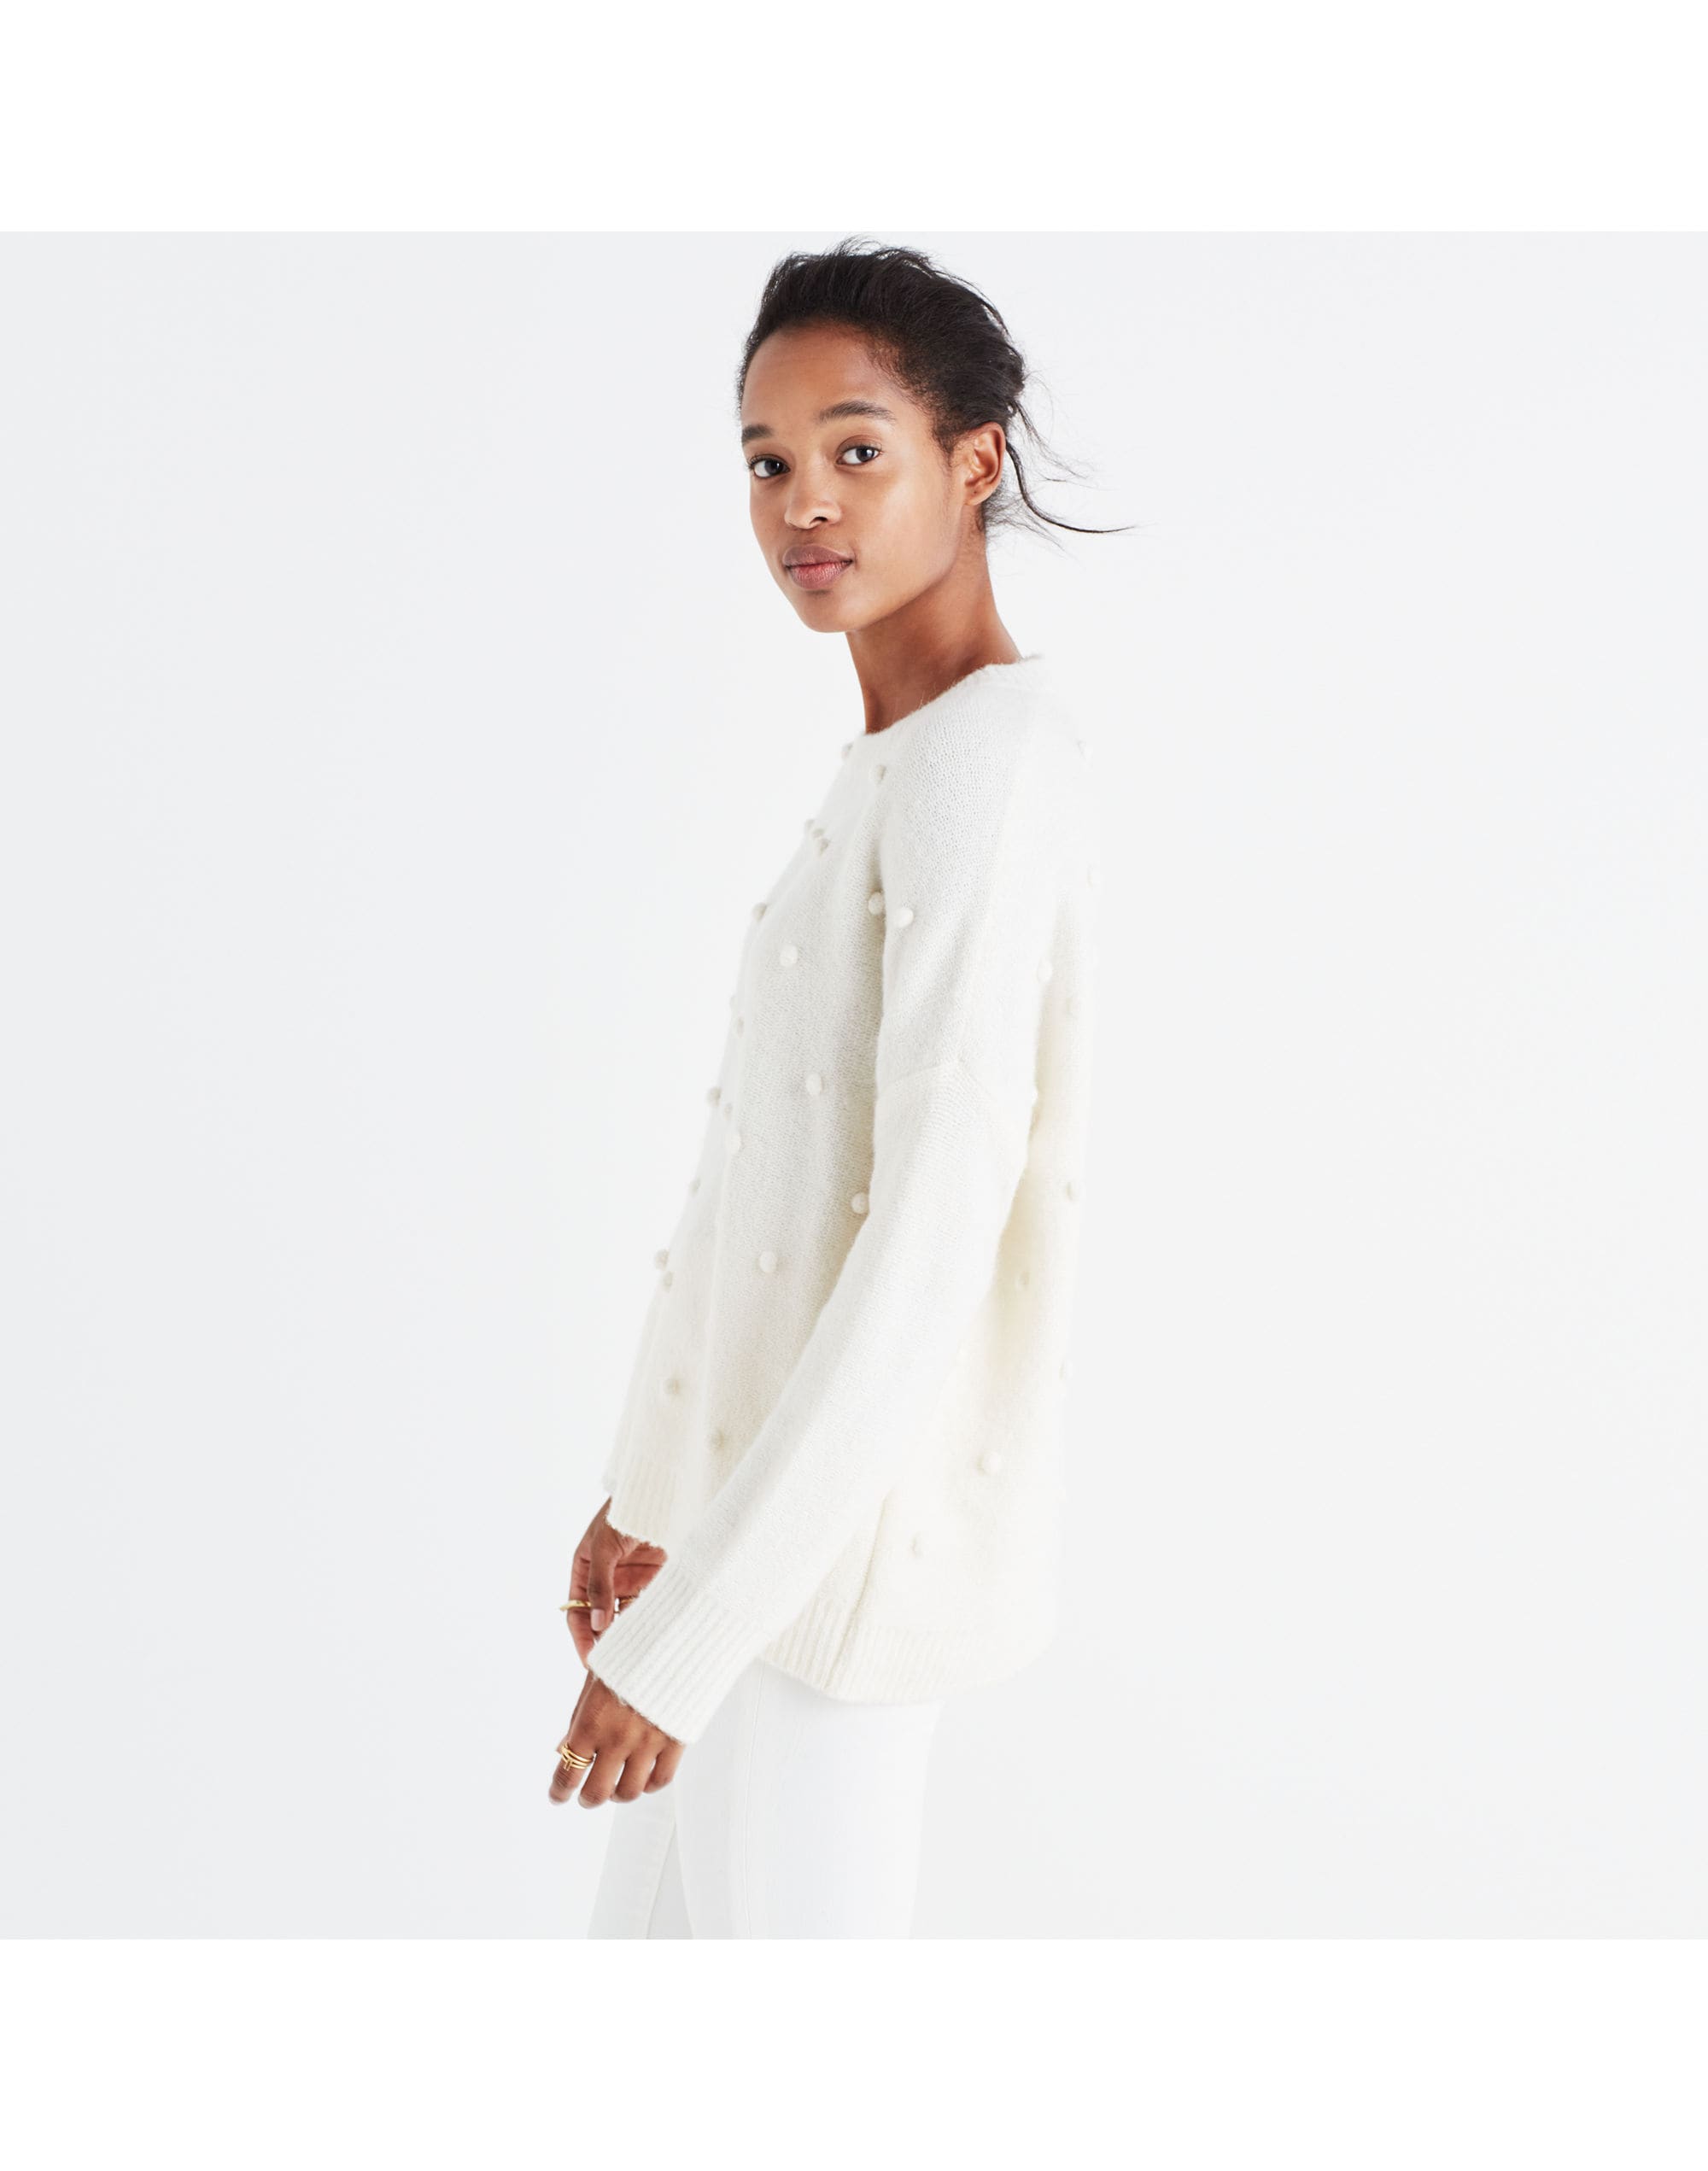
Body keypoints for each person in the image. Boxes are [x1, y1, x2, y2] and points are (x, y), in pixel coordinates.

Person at [548, 236, 1126, 1938]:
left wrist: (695, 1627)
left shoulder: (982, 770)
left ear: (974, 460)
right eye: (767, 460)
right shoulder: (903, 759)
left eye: (856, 449)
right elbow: (772, 1196)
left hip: (824, 1599)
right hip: (733, 1555)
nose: (804, 501)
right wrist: (647, 1485)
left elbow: (925, 1250)